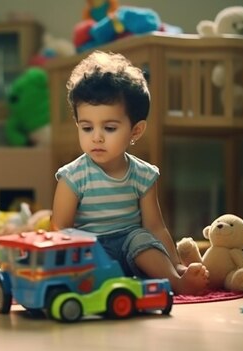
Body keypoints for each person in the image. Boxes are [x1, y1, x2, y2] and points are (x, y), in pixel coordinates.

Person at [50, 51, 209, 295]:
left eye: (110, 127)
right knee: (82, 246)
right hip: (92, 252)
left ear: (135, 131)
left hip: (132, 249)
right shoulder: (73, 176)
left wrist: (176, 264)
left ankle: (176, 282)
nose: (97, 137)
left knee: (142, 238)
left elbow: (155, 227)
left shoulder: (143, 175)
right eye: (87, 127)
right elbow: (61, 229)